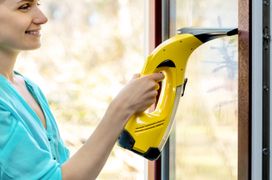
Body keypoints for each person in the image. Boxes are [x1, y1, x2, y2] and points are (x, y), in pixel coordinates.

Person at [0, 0, 164, 179]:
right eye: (24, 7)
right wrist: (122, 108)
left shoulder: (29, 88)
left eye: (37, 3)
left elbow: (62, 168)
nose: (42, 18)